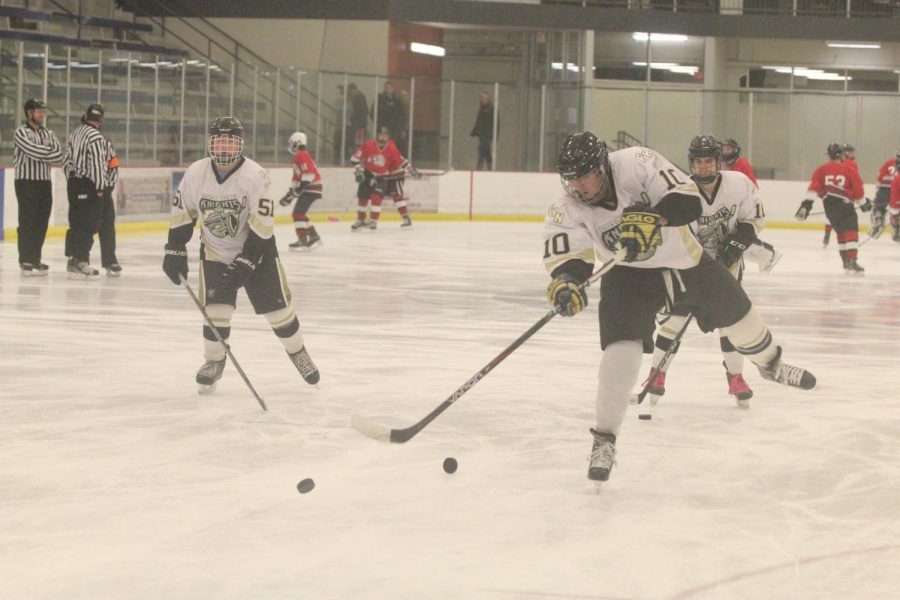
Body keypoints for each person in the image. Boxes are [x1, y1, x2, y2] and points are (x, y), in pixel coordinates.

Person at [543, 131, 816, 484]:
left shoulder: (635, 163)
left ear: (602, 165)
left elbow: (688, 201)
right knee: (620, 353)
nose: (578, 186)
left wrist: (656, 218)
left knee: (744, 323)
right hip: (628, 278)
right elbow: (571, 260)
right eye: (571, 178)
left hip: (685, 262)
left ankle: (771, 365)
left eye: (584, 175)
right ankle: (604, 440)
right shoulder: (565, 208)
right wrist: (567, 281)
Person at [161, 116, 320, 392]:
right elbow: (182, 212)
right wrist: (175, 247)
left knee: (279, 311)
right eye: (219, 142)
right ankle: (213, 361)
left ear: (240, 145)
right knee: (215, 311)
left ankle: (298, 352)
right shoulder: (196, 173)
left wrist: (248, 259)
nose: (223, 148)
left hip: (257, 252)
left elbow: (263, 224)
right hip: (215, 251)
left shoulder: (254, 176)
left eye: (229, 142)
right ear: (211, 144)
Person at [639, 135, 780, 411]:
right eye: (698, 162)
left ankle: (736, 376)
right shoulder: (680, 190)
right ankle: (657, 374)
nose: (703, 167)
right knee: (676, 319)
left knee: (729, 321)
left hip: (727, 265)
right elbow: (669, 231)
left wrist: (735, 247)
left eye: (708, 161)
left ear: (718, 162)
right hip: (689, 265)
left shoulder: (739, 184)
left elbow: (753, 220)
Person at [795, 143, 870, 274]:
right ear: (841, 154)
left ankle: (845, 261)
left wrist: (806, 205)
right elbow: (857, 190)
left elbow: (814, 188)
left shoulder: (821, 170)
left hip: (829, 205)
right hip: (845, 203)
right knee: (851, 229)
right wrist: (864, 204)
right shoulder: (848, 169)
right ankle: (852, 260)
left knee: (840, 231)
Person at [62, 103, 117, 280]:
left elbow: (66, 160)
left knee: (76, 222)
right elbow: (97, 165)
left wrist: (71, 179)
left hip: (74, 183)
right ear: (101, 120)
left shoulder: (75, 133)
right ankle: (81, 261)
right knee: (89, 224)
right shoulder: (96, 137)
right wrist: (100, 187)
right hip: (90, 185)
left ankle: (72, 260)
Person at [13, 98, 63, 276]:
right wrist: (46, 151)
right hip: (26, 182)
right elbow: (32, 152)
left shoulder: (48, 133)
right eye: (39, 111)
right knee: (27, 221)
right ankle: (25, 259)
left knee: (41, 222)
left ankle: (35, 258)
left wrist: (43, 152)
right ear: (29, 113)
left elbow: (59, 156)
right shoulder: (20, 132)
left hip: (44, 182)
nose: (42, 114)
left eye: (43, 111)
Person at [349, 127, 413, 230]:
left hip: (382, 177)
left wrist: (410, 168)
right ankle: (360, 220)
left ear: (388, 137)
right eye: (381, 135)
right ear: (377, 135)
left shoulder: (391, 148)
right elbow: (354, 158)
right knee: (362, 198)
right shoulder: (368, 145)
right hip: (368, 174)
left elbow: (400, 160)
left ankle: (373, 221)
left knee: (377, 198)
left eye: (385, 135)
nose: (383, 137)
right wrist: (358, 171)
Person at [279, 131, 323, 251]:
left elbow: (309, 174)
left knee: (298, 213)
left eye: (292, 142)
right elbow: (297, 178)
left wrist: (297, 191)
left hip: (312, 188)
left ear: (297, 142)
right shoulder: (300, 156)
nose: (290, 145)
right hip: (311, 188)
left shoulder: (301, 155)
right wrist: (289, 194)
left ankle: (304, 239)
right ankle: (312, 236)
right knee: (299, 213)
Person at [823, 144, 861, 247]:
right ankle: (850, 246)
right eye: (850, 151)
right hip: (845, 197)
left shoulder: (832, 165)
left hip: (833, 197)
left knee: (831, 217)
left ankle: (828, 235)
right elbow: (854, 182)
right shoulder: (850, 165)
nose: (852, 153)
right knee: (849, 223)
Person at [98, 139, 122, 276]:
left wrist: (107, 187)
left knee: (107, 226)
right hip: (85, 189)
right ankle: (78, 259)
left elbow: (113, 166)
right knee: (83, 227)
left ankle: (110, 260)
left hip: (104, 191)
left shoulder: (105, 145)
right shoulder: (80, 141)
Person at [370, 81, 406, 150]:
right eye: (386, 88)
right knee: (382, 145)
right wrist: (380, 125)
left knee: (392, 146)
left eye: (390, 88)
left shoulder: (397, 101)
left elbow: (403, 115)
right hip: (383, 128)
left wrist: (401, 128)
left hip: (394, 128)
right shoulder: (380, 100)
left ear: (393, 89)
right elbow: (373, 113)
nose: (388, 90)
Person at [871, 150, 897, 241]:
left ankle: (878, 221)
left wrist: (878, 190)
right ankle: (896, 230)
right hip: (897, 188)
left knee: (878, 207)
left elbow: (880, 175)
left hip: (884, 187)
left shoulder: (890, 162)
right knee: (896, 211)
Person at [470, 91, 498, 171]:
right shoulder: (481, 109)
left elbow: (496, 123)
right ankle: (490, 165)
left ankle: (479, 168)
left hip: (488, 135)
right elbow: (478, 121)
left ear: (487, 99)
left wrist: (496, 136)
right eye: (480, 98)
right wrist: (474, 131)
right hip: (482, 134)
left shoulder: (492, 110)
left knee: (482, 150)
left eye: (482, 98)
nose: (481, 100)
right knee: (486, 151)